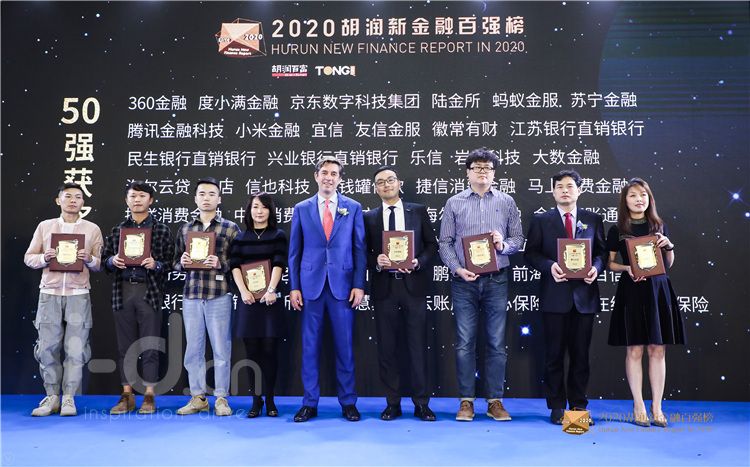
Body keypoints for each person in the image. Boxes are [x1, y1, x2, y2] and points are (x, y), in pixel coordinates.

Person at [438, 147, 524, 422]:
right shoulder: (454, 203)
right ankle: (466, 401)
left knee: (496, 342)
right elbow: (445, 242)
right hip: (463, 281)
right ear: (468, 172)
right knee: (465, 342)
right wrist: (458, 269)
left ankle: (495, 401)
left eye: (487, 168)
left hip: (497, 279)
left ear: (494, 173)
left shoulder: (507, 202)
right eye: (477, 167)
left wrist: (503, 245)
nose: (482, 172)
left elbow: (518, 239)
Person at [524, 170, 607, 425]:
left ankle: (579, 406)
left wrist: (596, 268)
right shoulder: (541, 220)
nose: (564, 190)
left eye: (570, 186)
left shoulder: (593, 219)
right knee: (554, 355)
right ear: (552, 192)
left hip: (584, 297)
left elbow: (602, 253)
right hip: (554, 296)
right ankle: (557, 406)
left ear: (579, 190)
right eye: (559, 186)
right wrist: (550, 266)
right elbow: (531, 254)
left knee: (581, 356)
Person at [288, 156, 367, 422]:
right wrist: (294, 287)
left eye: (334, 173)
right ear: (316, 176)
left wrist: (359, 284)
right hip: (310, 287)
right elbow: (294, 252)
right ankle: (309, 403)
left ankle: (348, 402)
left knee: (345, 347)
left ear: (340, 179)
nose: (328, 177)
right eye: (324, 172)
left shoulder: (352, 207)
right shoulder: (302, 208)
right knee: (309, 348)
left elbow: (359, 249)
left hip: (342, 288)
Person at [606, 178, 686, 428]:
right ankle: (639, 405)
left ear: (649, 198)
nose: (639, 199)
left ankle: (657, 407)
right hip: (632, 290)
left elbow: (668, 263)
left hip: (658, 290)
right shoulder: (617, 229)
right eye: (633, 195)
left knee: (657, 349)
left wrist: (669, 246)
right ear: (625, 200)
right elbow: (609, 263)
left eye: (643, 194)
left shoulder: (659, 226)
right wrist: (627, 268)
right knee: (635, 350)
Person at [363, 166, 438, 421]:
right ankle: (392, 403)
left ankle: (421, 403)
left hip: (413, 287)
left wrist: (418, 261)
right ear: (375, 189)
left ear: (399, 183)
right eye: (380, 182)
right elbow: (362, 252)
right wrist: (376, 260)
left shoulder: (417, 211)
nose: (386, 185)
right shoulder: (369, 217)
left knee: (418, 347)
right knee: (387, 348)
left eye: (390, 180)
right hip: (384, 288)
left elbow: (432, 245)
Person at [24, 183, 104, 416]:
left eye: (78, 197)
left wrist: (89, 259)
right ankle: (52, 396)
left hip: (79, 295)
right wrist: (44, 258)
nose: (73, 200)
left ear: (83, 202)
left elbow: (99, 264)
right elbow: (29, 257)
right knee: (47, 347)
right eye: (67, 196)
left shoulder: (92, 229)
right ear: (58, 200)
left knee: (76, 348)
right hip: (49, 293)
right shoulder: (45, 226)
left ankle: (69, 397)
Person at [102, 181, 174, 415]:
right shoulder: (118, 230)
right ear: (126, 200)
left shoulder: (161, 229)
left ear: (150, 200)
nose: (137, 200)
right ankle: (127, 395)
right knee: (125, 347)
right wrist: (112, 261)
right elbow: (104, 261)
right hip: (122, 291)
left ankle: (149, 395)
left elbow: (171, 263)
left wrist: (156, 264)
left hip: (149, 291)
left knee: (151, 345)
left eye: (142, 196)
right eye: (133, 196)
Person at [173, 177, 240, 416]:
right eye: (202, 194)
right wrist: (181, 262)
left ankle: (221, 397)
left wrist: (221, 263)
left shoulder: (230, 228)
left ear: (219, 199)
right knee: (193, 348)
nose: (206, 198)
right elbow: (175, 261)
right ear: (195, 198)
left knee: (221, 348)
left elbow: (239, 261)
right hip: (192, 294)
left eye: (212, 194)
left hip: (218, 294)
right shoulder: (185, 229)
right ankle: (198, 397)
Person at [228, 193, 288, 418]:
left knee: (270, 351)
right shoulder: (240, 237)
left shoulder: (278, 235)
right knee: (251, 352)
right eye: (255, 207)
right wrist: (243, 291)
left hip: (270, 301)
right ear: (249, 210)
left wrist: (271, 290)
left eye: (264, 207)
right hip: (248, 302)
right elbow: (235, 266)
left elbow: (279, 263)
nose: (259, 211)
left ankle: (270, 399)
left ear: (270, 211)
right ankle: (256, 400)